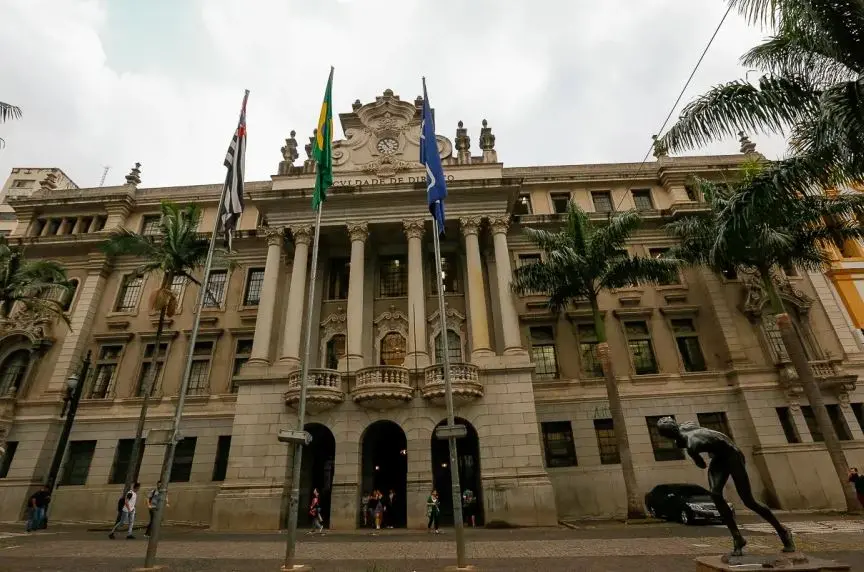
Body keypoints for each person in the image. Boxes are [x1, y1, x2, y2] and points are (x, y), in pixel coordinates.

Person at [656, 417, 794, 556]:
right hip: (719, 457)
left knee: (748, 500)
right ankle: (737, 538)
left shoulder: (692, 445)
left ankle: (782, 532)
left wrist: (691, 453)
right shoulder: (687, 425)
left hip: (733, 454)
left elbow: (702, 465)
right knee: (715, 494)